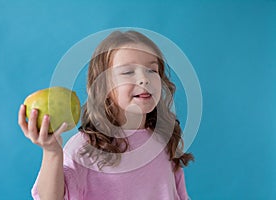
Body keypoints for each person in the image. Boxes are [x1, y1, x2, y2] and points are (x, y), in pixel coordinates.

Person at [18, 30, 194, 200]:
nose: (144, 78)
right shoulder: (85, 148)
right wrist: (52, 152)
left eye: (152, 70)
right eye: (128, 72)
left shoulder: (163, 137)